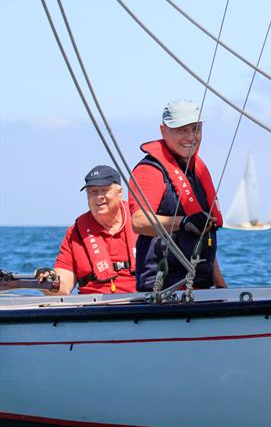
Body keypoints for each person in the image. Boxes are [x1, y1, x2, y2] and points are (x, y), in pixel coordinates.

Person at [129, 100, 227, 291]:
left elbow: (203, 232)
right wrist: (183, 222)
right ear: (163, 130)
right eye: (182, 130)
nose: (191, 137)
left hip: (199, 287)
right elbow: (139, 222)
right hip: (162, 289)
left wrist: (221, 284)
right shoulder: (150, 170)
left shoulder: (196, 171)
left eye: (196, 129)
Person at [39, 165, 137, 295]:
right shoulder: (75, 233)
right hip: (92, 308)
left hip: (142, 304)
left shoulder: (142, 220)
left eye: (104, 190)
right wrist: (48, 283)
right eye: (93, 192)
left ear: (120, 192)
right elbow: (63, 284)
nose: (98, 197)